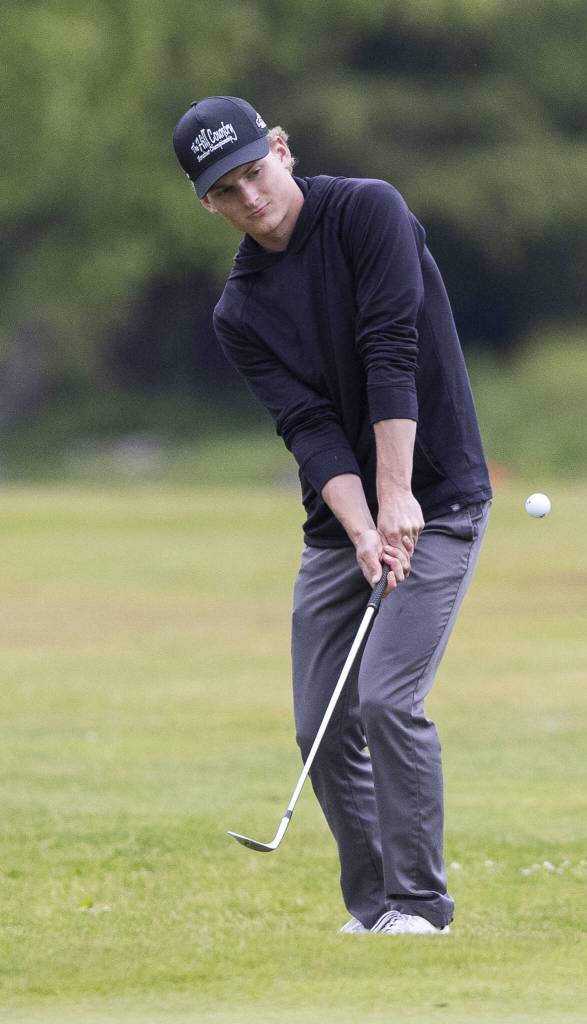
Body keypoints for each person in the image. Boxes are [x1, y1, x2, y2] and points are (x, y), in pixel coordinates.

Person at [172, 96, 493, 935]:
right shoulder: (239, 311)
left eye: (254, 171)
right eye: (226, 191)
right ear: (207, 204)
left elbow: (392, 350)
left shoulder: (367, 213)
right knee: (319, 722)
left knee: (386, 699)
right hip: (340, 519)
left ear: (281, 148)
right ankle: (376, 907)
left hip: (436, 496)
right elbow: (308, 428)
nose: (250, 197)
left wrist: (397, 499)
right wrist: (360, 526)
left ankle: (419, 905)